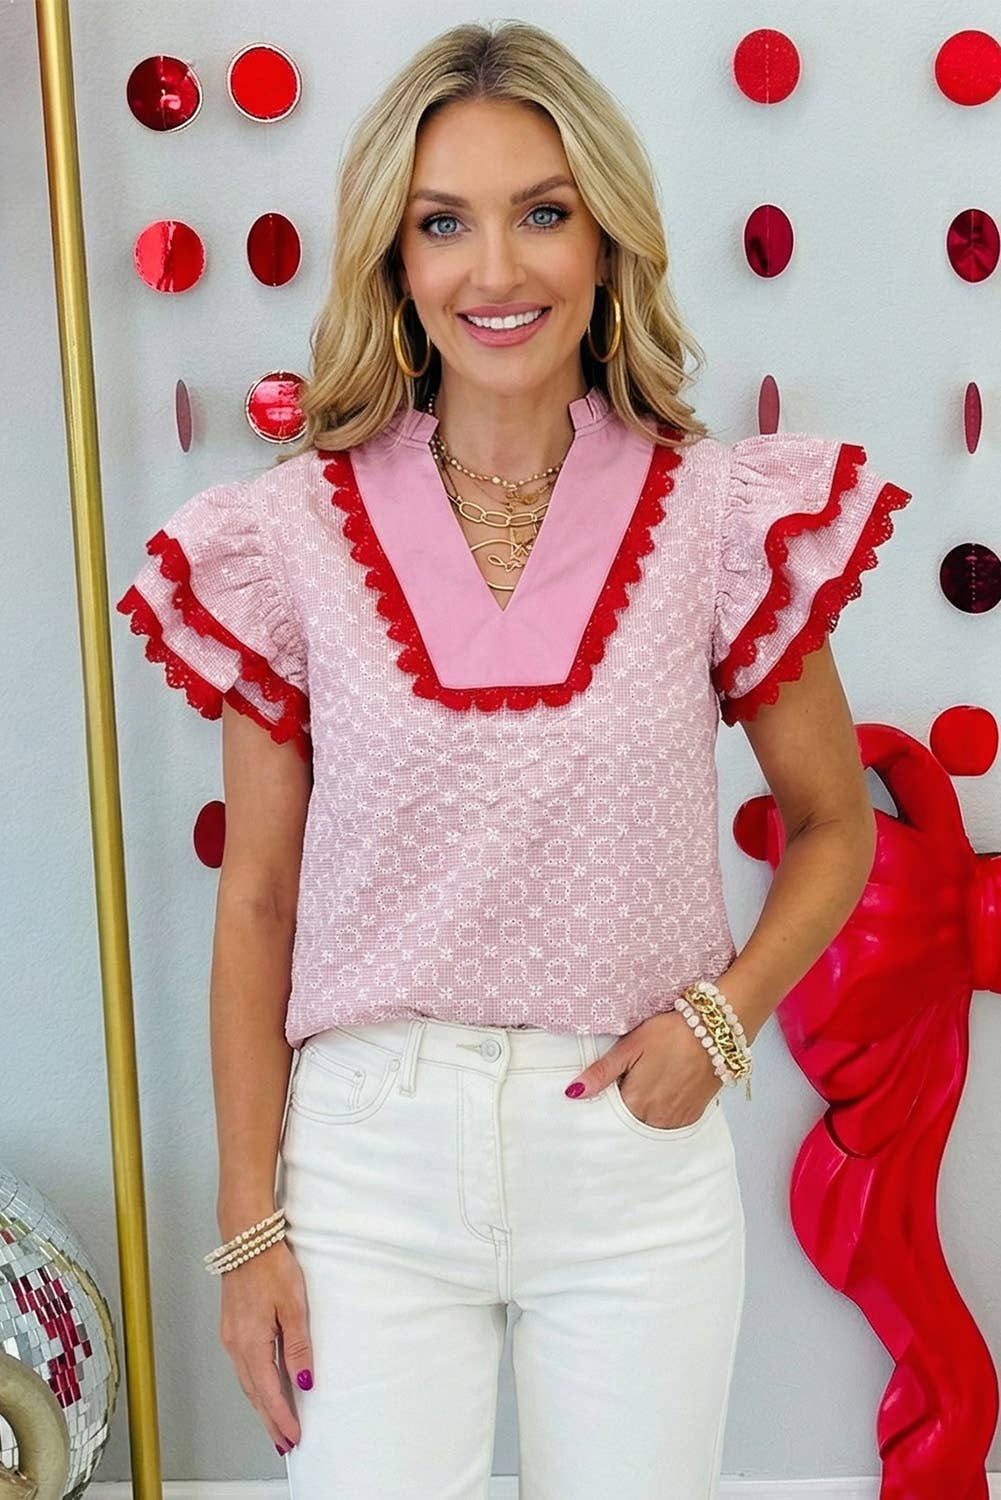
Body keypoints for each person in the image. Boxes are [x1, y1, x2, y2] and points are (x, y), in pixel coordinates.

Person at [115, 20, 912, 1499]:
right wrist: (247, 1226)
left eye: (542, 213)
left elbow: (829, 822)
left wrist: (723, 1022)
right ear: (395, 262)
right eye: (444, 224)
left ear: (605, 244)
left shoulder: (716, 517)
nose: (495, 270)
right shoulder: (286, 538)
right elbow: (260, 896)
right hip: (364, 1170)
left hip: (631, 1161)